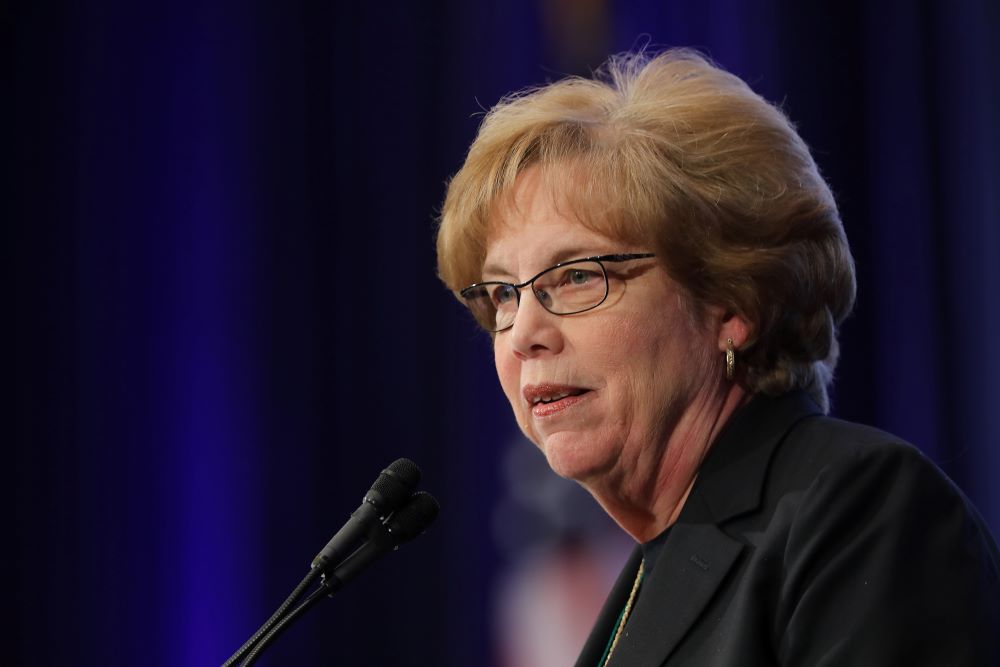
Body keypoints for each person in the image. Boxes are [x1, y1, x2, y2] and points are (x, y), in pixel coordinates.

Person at [436, 49, 1000, 666]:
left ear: (732, 301)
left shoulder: (857, 510)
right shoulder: (649, 578)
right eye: (502, 295)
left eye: (575, 277)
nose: (523, 334)